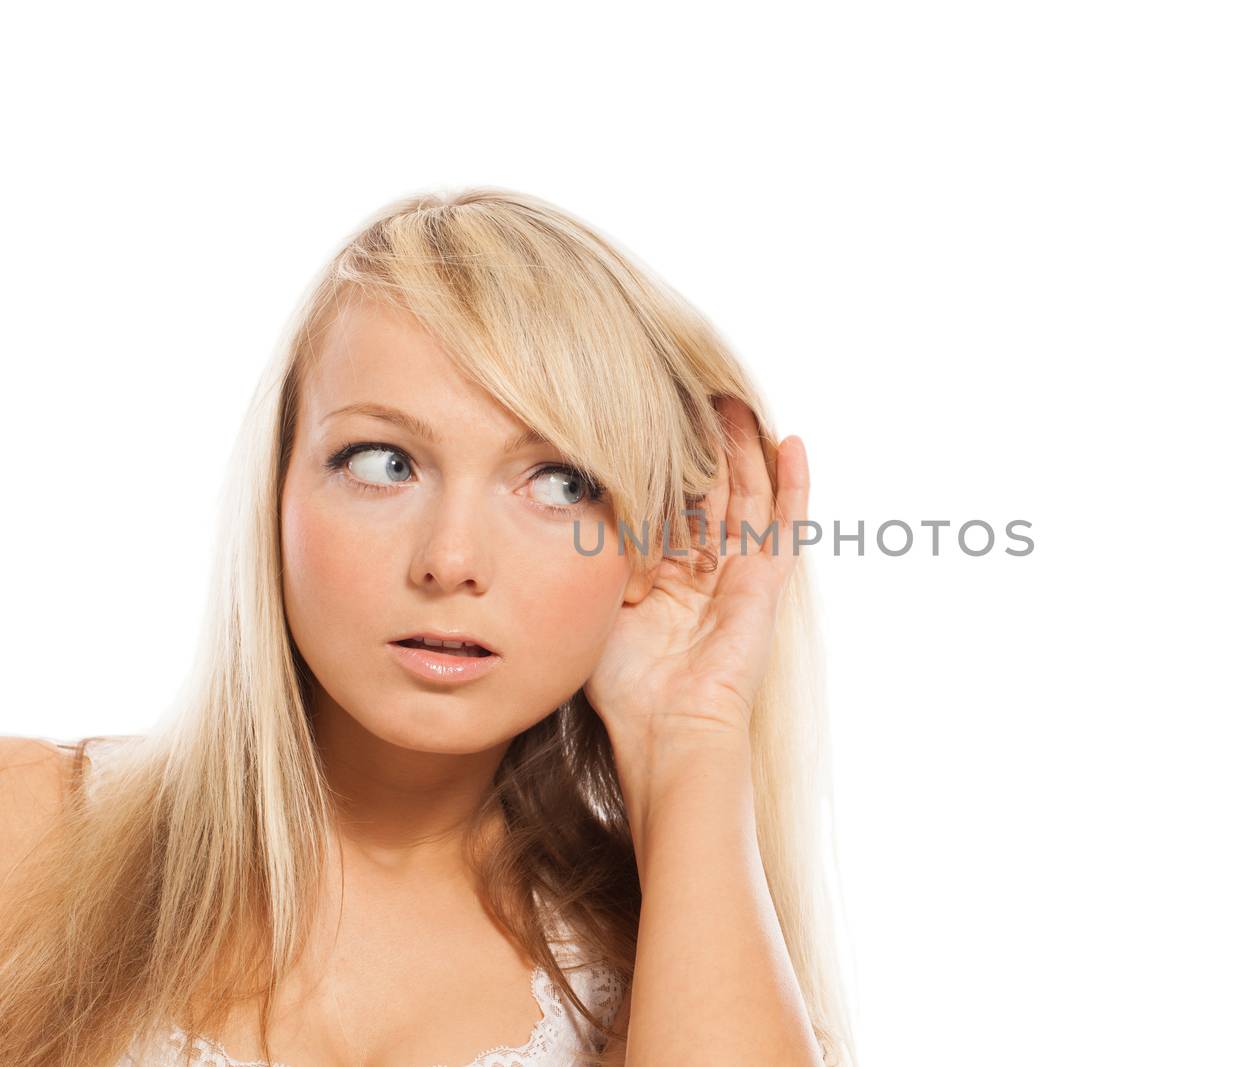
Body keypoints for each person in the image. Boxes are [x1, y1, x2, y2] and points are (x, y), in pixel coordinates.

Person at [0, 188, 855, 1067]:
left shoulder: (687, 962)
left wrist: (690, 733)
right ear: (278, 490)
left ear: (651, 545)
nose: (450, 561)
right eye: (383, 463)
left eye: (560, 482)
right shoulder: (24, 828)